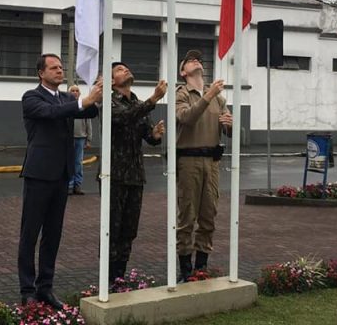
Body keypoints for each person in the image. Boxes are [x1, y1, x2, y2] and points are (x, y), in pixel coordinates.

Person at [18, 54, 102, 309]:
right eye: (53, 68)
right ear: (40, 73)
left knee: (53, 234)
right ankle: (27, 289)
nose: (59, 71)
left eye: (61, 67)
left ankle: (46, 287)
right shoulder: (31, 97)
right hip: (38, 173)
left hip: (61, 176)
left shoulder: (66, 97)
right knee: (30, 234)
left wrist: (98, 91)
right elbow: (52, 113)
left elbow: (92, 110)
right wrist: (83, 101)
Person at [175, 50, 232, 281]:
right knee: (187, 215)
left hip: (212, 161)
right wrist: (207, 95)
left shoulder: (218, 97)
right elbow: (186, 118)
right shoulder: (182, 94)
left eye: (198, 59)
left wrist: (229, 124)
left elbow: (228, 127)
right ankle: (185, 268)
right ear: (183, 72)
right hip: (189, 160)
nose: (195, 61)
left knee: (209, 215)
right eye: (189, 61)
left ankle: (201, 265)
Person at [108, 61, 167, 282]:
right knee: (112, 230)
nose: (127, 70)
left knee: (129, 231)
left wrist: (155, 135)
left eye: (127, 67)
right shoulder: (109, 100)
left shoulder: (138, 103)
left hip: (135, 176)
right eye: (120, 70)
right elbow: (123, 117)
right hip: (114, 175)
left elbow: (147, 136)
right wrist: (153, 100)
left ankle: (120, 277)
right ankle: (108, 278)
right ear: (112, 81)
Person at [68, 84, 92, 196]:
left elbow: (88, 123)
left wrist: (89, 139)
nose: (74, 92)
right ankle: (69, 185)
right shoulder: (66, 106)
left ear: (79, 93)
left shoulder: (84, 106)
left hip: (80, 138)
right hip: (68, 138)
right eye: (72, 90)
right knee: (69, 161)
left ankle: (77, 185)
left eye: (76, 90)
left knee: (78, 163)